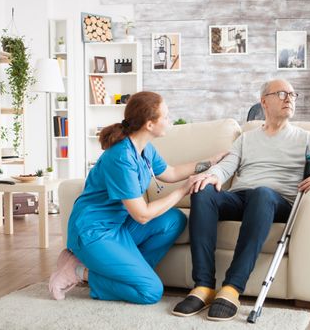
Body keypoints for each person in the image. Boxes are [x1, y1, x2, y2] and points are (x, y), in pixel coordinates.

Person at [172, 79, 310, 321]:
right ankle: (203, 286)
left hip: (276, 202)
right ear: (264, 101)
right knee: (202, 190)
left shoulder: (307, 139)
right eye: (281, 93)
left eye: (292, 94)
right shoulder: (247, 139)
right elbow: (225, 168)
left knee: (262, 193)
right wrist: (211, 176)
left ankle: (232, 288)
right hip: (241, 198)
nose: (289, 98)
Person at [49, 91, 226, 304]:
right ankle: (78, 271)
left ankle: (132, 274)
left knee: (174, 220)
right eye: (166, 116)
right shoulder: (121, 157)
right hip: (93, 232)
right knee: (150, 292)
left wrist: (211, 162)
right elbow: (142, 215)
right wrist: (182, 191)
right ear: (149, 125)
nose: (170, 121)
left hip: (118, 226)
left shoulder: (144, 149)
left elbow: (170, 173)